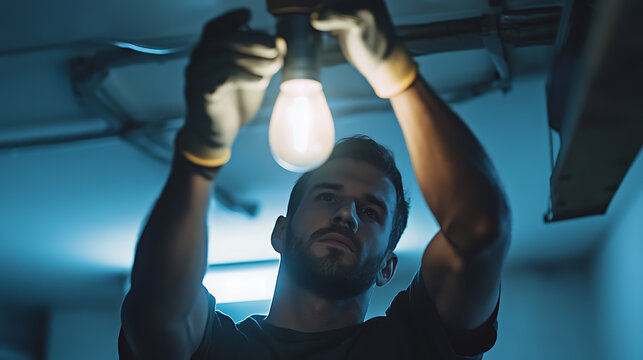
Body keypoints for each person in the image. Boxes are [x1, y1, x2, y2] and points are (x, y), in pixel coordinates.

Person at [119, 1, 511, 359]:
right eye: (326, 197)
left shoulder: (415, 344)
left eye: (371, 211)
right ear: (280, 233)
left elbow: (481, 230)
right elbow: (153, 311)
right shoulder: (216, 347)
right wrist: (199, 154)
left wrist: (399, 75)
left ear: (387, 268)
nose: (346, 214)